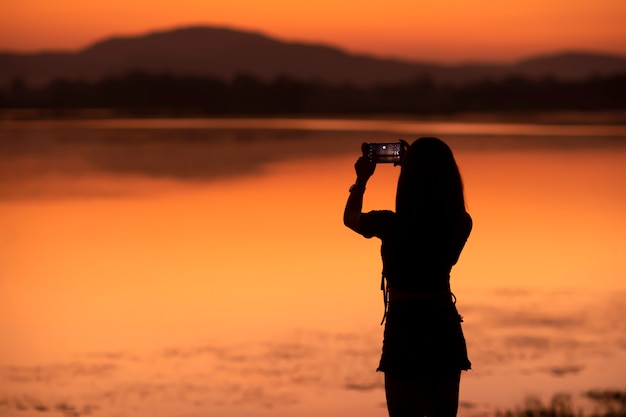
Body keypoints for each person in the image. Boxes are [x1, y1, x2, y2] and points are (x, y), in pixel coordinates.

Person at [343, 137, 472, 417]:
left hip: (405, 330)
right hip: (442, 328)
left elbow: (350, 217)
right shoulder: (460, 224)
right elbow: (436, 202)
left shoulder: (390, 224)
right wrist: (416, 168)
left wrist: (362, 180)